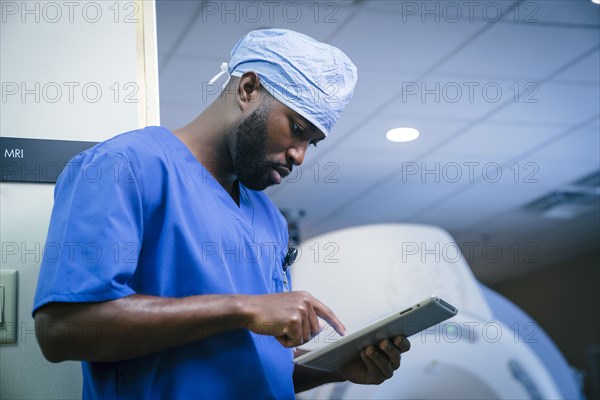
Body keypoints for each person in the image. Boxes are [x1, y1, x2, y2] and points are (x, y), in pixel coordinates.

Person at [33, 29, 410, 399]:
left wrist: (336, 367)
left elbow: (253, 364)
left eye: (311, 142)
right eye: (296, 129)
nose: (300, 156)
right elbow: (61, 330)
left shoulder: (269, 219)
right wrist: (242, 307)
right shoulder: (122, 167)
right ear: (248, 89)